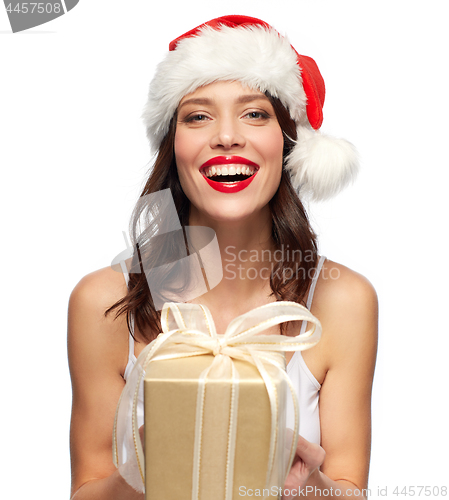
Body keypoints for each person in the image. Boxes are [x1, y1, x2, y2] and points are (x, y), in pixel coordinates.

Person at [68, 15, 378, 500]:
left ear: (289, 141)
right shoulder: (104, 301)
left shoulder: (343, 299)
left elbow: (349, 491)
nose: (227, 136)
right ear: (174, 145)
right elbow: (85, 491)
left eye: (255, 113)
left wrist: (306, 484)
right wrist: (147, 466)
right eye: (197, 116)